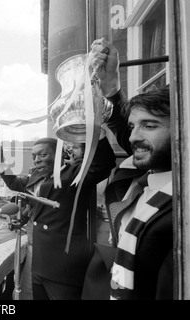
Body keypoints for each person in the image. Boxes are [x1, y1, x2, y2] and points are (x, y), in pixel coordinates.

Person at [82, 38, 173, 300]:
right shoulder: (147, 170)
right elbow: (127, 130)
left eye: (150, 125)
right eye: (134, 127)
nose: (133, 138)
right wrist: (111, 87)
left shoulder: (178, 211)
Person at [0, 135, 116, 300]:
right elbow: (15, 184)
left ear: (60, 154)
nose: (37, 160)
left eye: (43, 155)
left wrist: (94, 130)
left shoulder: (74, 174)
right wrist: (1, 162)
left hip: (63, 270)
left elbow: (103, 163)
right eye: (34, 157)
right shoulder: (36, 177)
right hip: (39, 265)